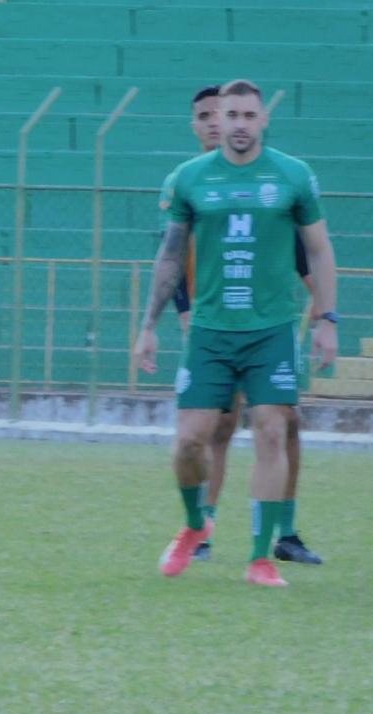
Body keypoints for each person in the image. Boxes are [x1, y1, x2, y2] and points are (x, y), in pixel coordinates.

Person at [133, 80, 338, 587]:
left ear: (264, 118)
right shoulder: (190, 179)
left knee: (272, 427)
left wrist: (326, 319)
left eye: (250, 114)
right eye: (232, 115)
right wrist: (148, 326)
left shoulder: (293, 176)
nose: (240, 124)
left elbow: (319, 249)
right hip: (209, 331)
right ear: (216, 121)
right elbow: (171, 255)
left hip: (271, 331)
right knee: (189, 445)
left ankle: (260, 557)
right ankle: (194, 524)